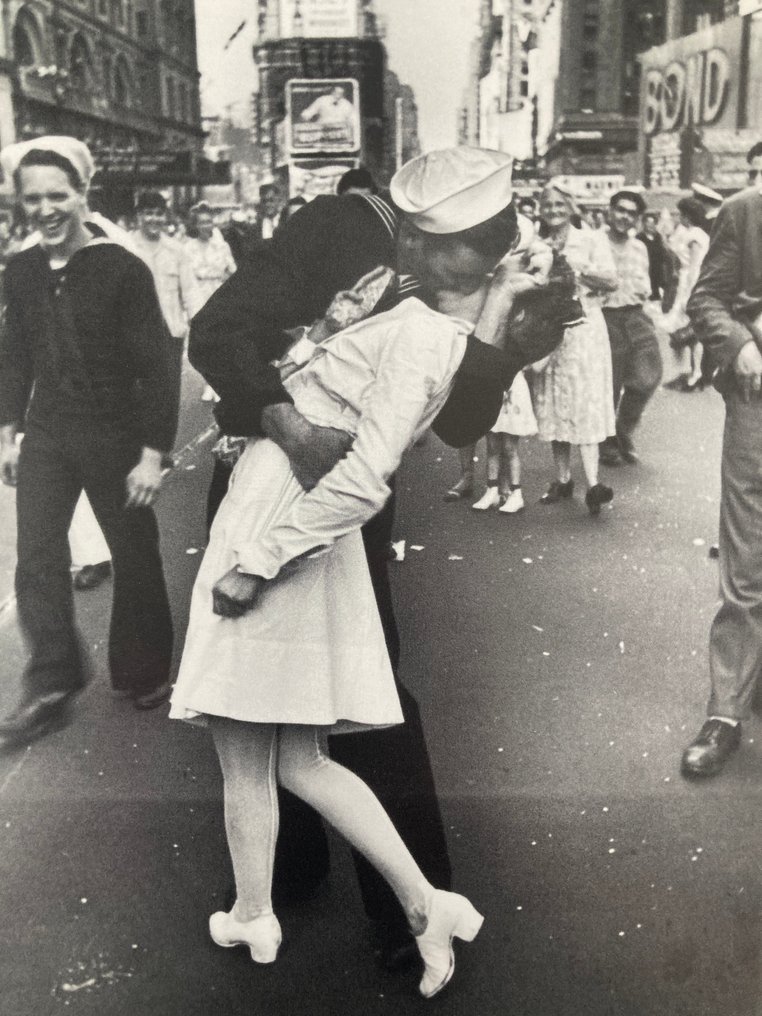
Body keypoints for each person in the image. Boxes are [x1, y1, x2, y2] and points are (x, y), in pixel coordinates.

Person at [170, 146, 566, 997]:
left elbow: (460, 422)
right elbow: (219, 331)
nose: (470, 268)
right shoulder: (337, 229)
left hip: (341, 499)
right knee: (265, 704)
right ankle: (282, 874)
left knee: (358, 693)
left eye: (495, 252)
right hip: (272, 467)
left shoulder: (482, 275)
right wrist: (288, 423)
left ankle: (407, 908)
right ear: (422, 233)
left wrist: (496, 321)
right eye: (468, 255)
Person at [0, 136, 178, 746]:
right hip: (49, 430)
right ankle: (52, 679)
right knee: (37, 556)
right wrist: (8, 434)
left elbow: (157, 365)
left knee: (133, 550)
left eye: (58, 195)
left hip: (115, 432)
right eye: (32, 199)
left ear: (82, 195)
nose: (45, 209)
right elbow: (14, 354)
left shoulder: (121, 268)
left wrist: (152, 454)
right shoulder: (20, 270)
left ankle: (144, 668)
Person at [680, 175, 762, 776]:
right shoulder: (744, 212)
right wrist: (738, 344)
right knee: (747, 562)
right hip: (758, 405)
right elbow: (704, 300)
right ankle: (725, 711)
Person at [533, 181, 617, 515]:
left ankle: (594, 483)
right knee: (557, 399)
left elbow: (612, 281)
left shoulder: (591, 240)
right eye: (547, 205)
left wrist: (576, 268)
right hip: (553, 330)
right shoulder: (537, 244)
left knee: (586, 400)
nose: (553, 210)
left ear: (571, 207)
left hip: (585, 329)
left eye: (559, 205)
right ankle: (563, 478)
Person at [599, 190, 663, 467]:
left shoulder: (639, 247)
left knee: (648, 376)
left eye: (631, 213)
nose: (625, 217)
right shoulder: (595, 242)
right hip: (605, 317)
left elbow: (645, 287)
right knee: (608, 384)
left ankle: (623, 429)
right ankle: (607, 441)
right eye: (620, 210)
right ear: (610, 211)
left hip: (636, 316)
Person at [182, 202, 236, 402]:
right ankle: (209, 382)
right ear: (195, 225)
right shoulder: (187, 249)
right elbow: (185, 280)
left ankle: (218, 385)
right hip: (197, 296)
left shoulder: (222, 246)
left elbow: (233, 273)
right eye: (202, 222)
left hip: (219, 295)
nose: (207, 226)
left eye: (209, 221)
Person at [662, 197, 711, 392]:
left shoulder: (695, 235)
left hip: (689, 284)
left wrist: (690, 294)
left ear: (688, 216)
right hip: (684, 282)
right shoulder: (691, 233)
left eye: (682, 214)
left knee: (690, 331)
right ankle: (691, 372)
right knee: (689, 331)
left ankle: (694, 373)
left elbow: (695, 266)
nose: (680, 217)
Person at [637, 210, 670, 304]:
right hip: (645, 267)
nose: (651, 225)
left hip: (657, 268)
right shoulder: (640, 237)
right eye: (648, 223)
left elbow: (663, 251)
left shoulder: (658, 237)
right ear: (644, 224)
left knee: (657, 293)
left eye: (653, 223)